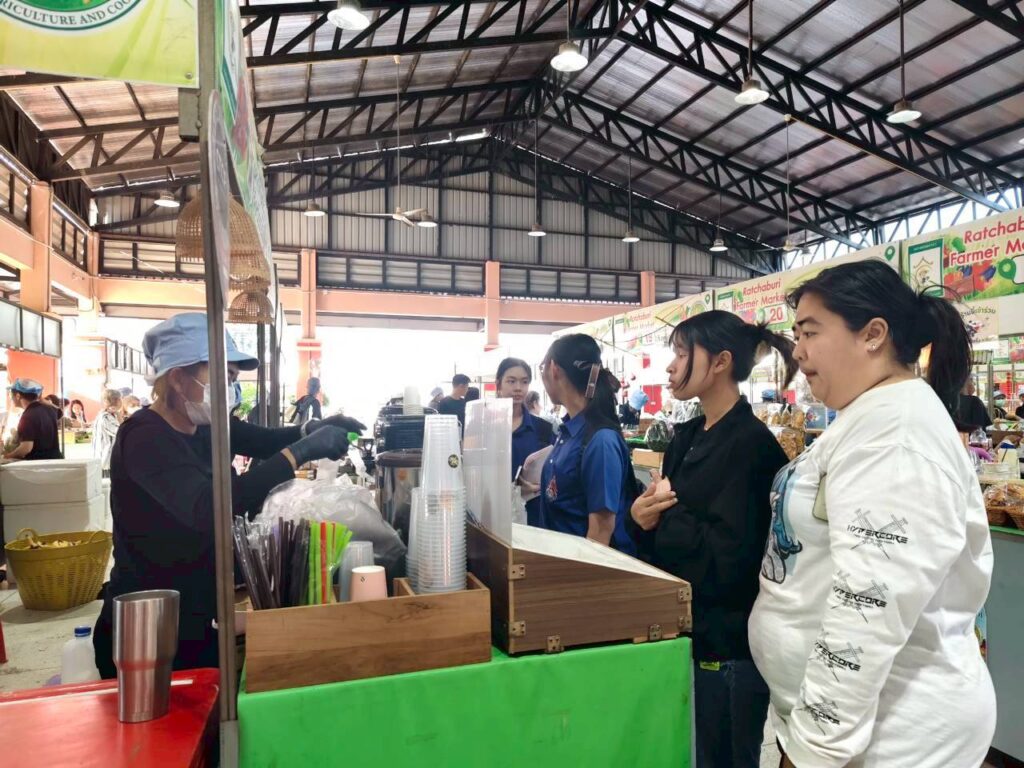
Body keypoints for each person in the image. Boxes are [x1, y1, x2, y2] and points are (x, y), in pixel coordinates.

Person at [749, 260, 994, 768]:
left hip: (894, 737)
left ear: (873, 335)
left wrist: (815, 750)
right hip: (845, 730)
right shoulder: (869, 417)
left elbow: (867, 609)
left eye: (811, 332)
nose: (798, 351)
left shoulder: (896, 436)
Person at [93, 313, 365, 677]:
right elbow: (210, 508)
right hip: (148, 628)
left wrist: (313, 428)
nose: (231, 390)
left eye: (234, 379)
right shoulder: (145, 438)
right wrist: (301, 452)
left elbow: (264, 440)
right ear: (178, 377)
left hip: (198, 613)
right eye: (223, 377)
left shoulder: (205, 427)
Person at [628, 311, 793, 768]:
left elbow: (733, 562)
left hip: (729, 648)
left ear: (720, 362)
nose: (670, 367)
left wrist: (667, 513)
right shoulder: (686, 439)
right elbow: (663, 544)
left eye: (682, 354)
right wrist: (641, 518)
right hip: (687, 633)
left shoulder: (753, 447)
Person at [537, 334, 636, 554]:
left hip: (588, 570)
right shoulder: (568, 432)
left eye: (542, 367)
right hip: (560, 563)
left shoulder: (601, 441)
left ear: (553, 368)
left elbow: (601, 531)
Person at [496, 358, 555, 526]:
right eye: (511, 381)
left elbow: (556, 476)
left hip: (532, 519)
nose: (518, 388)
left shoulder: (543, 429)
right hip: (492, 518)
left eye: (524, 382)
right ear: (498, 384)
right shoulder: (482, 427)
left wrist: (539, 485)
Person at [4, 379, 62, 460]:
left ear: (18, 396)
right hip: (56, 461)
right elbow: (60, 413)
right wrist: (45, 401)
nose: (10, 398)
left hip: (37, 463)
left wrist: (8, 456)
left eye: (11, 395)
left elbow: (26, 448)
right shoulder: (50, 409)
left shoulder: (27, 416)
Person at [93, 389, 123, 477]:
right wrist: (119, 416)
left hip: (105, 459)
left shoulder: (107, 415)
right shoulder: (106, 417)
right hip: (106, 460)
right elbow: (121, 432)